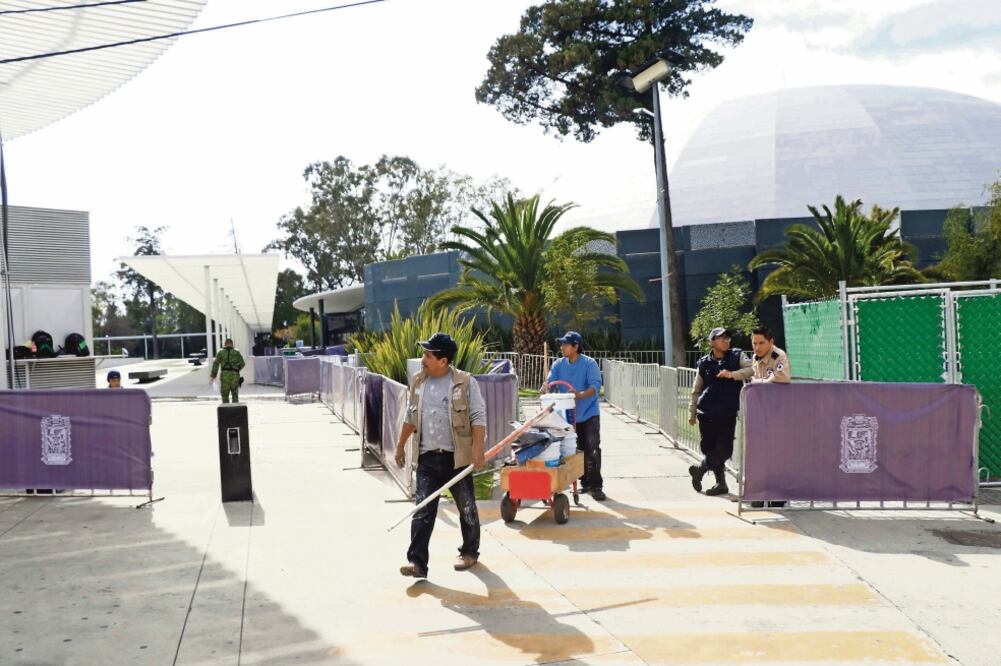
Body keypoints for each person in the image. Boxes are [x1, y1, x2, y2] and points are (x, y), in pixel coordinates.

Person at [395, 333, 487, 578]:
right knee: (423, 509)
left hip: (457, 458)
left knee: (467, 508)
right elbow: (410, 417)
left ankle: (469, 552)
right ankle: (417, 563)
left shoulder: (465, 383)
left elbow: (478, 417)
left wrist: (478, 450)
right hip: (427, 458)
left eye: (428, 355)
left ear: (443, 361)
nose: (423, 359)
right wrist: (400, 445)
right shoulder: (418, 381)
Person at [727, 326, 792, 508]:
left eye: (761, 343)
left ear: (771, 342)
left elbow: (783, 375)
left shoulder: (778, 356)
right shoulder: (756, 358)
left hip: (778, 413)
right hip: (761, 413)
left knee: (778, 455)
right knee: (758, 454)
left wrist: (761, 383)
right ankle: (758, 493)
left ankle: (777, 495)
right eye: (754, 343)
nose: (757, 347)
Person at [688, 328, 753, 496]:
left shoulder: (737, 355)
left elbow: (751, 369)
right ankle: (721, 483)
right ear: (712, 341)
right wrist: (692, 412)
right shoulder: (704, 362)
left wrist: (732, 374)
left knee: (724, 450)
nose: (726, 340)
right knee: (709, 448)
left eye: (727, 337)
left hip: (726, 412)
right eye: (721, 338)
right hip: (706, 412)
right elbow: (696, 389)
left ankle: (700, 470)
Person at [545, 331, 605, 501]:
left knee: (592, 447)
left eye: (565, 344)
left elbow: (595, 387)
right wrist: (546, 388)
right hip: (568, 415)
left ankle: (596, 485)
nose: (562, 347)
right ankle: (584, 482)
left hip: (589, 413)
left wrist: (579, 394)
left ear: (576, 346)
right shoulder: (558, 364)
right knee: (574, 450)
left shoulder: (589, 364)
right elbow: (550, 382)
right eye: (562, 344)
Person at [210, 339, 246, 404]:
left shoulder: (221, 353)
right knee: (235, 396)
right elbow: (242, 363)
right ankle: (235, 411)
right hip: (235, 376)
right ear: (232, 344)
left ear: (225, 344)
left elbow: (216, 364)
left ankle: (226, 411)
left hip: (224, 376)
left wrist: (213, 376)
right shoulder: (237, 352)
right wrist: (237, 369)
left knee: (225, 396)